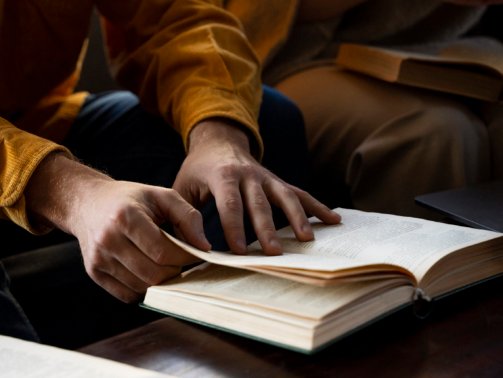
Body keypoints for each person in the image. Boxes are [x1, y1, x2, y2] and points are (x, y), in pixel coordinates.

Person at [0, 1, 341, 341]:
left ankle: (253, 334)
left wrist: (217, 137)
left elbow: (172, 15)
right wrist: (73, 195)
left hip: (38, 124)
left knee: (268, 121)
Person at [225, 0, 503, 218]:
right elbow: (251, 15)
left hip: (436, 52)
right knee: (433, 132)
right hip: (294, 57)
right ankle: (416, 283)